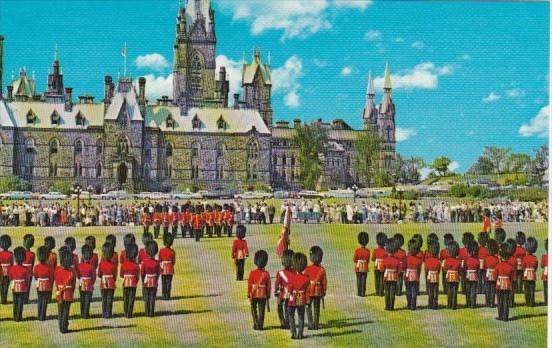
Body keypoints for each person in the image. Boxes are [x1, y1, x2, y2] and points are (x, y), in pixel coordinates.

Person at [287, 252, 310, 340]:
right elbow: (307, 291)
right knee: (301, 316)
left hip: (292, 298)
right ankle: (300, 334)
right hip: (302, 298)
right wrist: (308, 301)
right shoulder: (307, 278)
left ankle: (293, 333)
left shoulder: (291, 277)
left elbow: (289, 289)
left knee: (291, 316)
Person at [247, 250, 271, 331]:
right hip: (263, 293)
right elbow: (268, 286)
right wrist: (268, 294)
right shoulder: (266, 273)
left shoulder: (252, 273)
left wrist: (248, 293)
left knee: (253, 308)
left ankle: (256, 323)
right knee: (262, 310)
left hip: (254, 293)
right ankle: (260, 325)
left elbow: (250, 284)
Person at [305, 246, 327, 330]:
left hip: (310, 290)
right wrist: (324, 290)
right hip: (318, 291)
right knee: (317, 308)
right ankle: (316, 325)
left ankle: (310, 323)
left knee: (308, 306)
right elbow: (324, 282)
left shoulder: (307, 269)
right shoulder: (322, 270)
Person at [55, 248, 76, 333]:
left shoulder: (57, 269)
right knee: (66, 311)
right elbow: (73, 285)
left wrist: (58, 290)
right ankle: (64, 327)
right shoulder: (72, 271)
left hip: (59, 291)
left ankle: (61, 327)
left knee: (60, 311)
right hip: (68, 293)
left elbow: (56, 282)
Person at [8, 247, 30, 321]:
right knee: (20, 303)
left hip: (15, 286)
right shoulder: (26, 269)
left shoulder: (12, 268)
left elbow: (10, 277)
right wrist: (26, 286)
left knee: (15, 302)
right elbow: (27, 279)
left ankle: (15, 317)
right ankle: (19, 317)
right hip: (22, 286)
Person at [275, 249, 294, 329]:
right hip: (291, 293)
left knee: (280, 308)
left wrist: (276, 291)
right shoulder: (295, 272)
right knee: (288, 309)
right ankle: (287, 322)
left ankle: (283, 322)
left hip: (282, 293)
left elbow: (277, 283)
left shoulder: (280, 273)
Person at [496, 243, 515, 321]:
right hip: (507, 284)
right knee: (506, 301)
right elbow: (512, 277)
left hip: (499, 284)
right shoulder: (510, 267)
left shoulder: (498, 266)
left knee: (500, 301)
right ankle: (505, 317)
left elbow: (495, 276)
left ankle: (500, 316)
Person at [98, 242, 117, 318]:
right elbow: (115, 275)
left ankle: (104, 313)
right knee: (110, 299)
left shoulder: (101, 263)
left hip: (103, 282)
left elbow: (99, 274)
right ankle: (109, 313)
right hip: (111, 282)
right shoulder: (114, 264)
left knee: (104, 299)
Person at [121, 243, 140, 318]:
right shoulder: (136, 265)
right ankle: (129, 313)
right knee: (132, 298)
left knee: (125, 298)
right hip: (133, 283)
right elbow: (137, 276)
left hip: (125, 282)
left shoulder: (124, 265)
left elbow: (121, 275)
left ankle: (125, 312)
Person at [142, 240, 160, 317]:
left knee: (147, 298)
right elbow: (158, 272)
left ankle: (147, 312)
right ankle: (151, 312)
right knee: (153, 297)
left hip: (146, 281)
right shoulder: (157, 263)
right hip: (154, 281)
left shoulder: (144, 262)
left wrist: (143, 281)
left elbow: (142, 273)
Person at [34, 246, 53, 321]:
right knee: (45, 301)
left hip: (39, 284)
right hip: (47, 284)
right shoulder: (49, 267)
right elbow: (51, 277)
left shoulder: (36, 267)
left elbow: (35, 276)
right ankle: (42, 316)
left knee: (39, 300)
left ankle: (39, 315)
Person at [77, 244, 96, 319]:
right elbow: (94, 277)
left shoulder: (79, 265)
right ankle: (86, 314)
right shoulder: (92, 267)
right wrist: (91, 283)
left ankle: (82, 313)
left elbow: (78, 275)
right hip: (89, 284)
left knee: (82, 299)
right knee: (87, 300)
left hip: (82, 283)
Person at [405, 239, 422, 310]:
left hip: (408, 275)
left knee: (408, 290)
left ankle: (409, 304)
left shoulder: (406, 258)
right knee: (414, 291)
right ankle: (413, 306)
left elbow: (404, 267)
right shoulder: (418, 260)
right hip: (415, 275)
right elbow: (418, 269)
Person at [383, 238, 400, 311]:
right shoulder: (397, 261)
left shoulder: (385, 260)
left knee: (387, 291)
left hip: (386, 276)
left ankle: (387, 306)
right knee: (392, 292)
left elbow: (382, 269)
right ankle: (391, 307)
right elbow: (399, 270)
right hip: (394, 276)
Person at [443, 241, 461, 310]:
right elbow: (459, 270)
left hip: (449, 276)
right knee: (455, 291)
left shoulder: (447, 260)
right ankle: (454, 305)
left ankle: (449, 304)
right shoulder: (458, 261)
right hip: (456, 276)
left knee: (449, 291)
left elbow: (445, 268)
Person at [522, 237, 538, 307]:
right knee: (532, 289)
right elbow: (535, 267)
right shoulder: (535, 258)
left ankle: (527, 302)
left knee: (526, 289)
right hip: (532, 275)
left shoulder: (525, 258)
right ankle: (532, 302)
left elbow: (523, 267)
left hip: (526, 274)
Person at [425, 240, 441, 310]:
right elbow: (439, 270)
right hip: (436, 276)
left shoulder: (427, 261)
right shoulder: (438, 261)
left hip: (430, 276)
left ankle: (430, 304)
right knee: (435, 291)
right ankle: (435, 305)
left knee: (430, 291)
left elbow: (426, 269)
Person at [159, 232, 176, 300]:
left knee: (163, 282)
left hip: (163, 267)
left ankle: (163, 296)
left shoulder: (161, 250)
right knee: (169, 282)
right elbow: (173, 261)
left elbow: (160, 260)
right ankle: (168, 296)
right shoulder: (172, 251)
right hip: (170, 268)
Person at [484, 239, 500, 308]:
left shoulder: (486, 258)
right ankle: (492, 303)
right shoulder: (497, 259)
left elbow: (485, 267)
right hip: (494, 275)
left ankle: (487, 303)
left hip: (488, 274)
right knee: (493, 290)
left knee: (487, 289)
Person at [353, 232, 370, 297]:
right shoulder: (367, 251)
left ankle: (359, 292)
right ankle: (363, 293)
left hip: (358, 266)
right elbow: (368, 260)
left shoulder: (357, 250)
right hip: (365, 266)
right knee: (364, 280)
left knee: (358, 280)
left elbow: (354, 259)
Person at [464, 240, 480, 308]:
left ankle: (468, 303)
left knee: (468, 290)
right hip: (475, 276)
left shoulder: (467, 259)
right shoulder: (477, 260)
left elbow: (465, 268)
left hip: (468, 275)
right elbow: (478, 269)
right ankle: (473, 304)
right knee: (473, 290)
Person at [372, 232, 387, 297]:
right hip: (383, 267)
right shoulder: (386, 251)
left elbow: (373, 259)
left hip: (376, 266)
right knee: (382, 279)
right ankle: (381, 292)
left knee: (377, 279)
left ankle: (377, 291)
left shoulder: (375, 250)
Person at [0, 234, 13, 304]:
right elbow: (11, 264)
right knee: (6, 287)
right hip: (8, 271)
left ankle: (2, 299)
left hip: (1, 271)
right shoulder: (10, 254)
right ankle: (4, 300)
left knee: (1, 286)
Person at [22, 234, 35, 304]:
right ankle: (26, 300)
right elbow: (32, 264)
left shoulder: (22, 252)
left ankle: (23, 299)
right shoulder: (33, 254)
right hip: (29, 271)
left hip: (22, 270)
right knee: (28, 286)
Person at [542, 239, 548, 306]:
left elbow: (542, 265)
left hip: (545, 275)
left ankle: (546, 301)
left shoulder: (544, 256)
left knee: (545, 288)